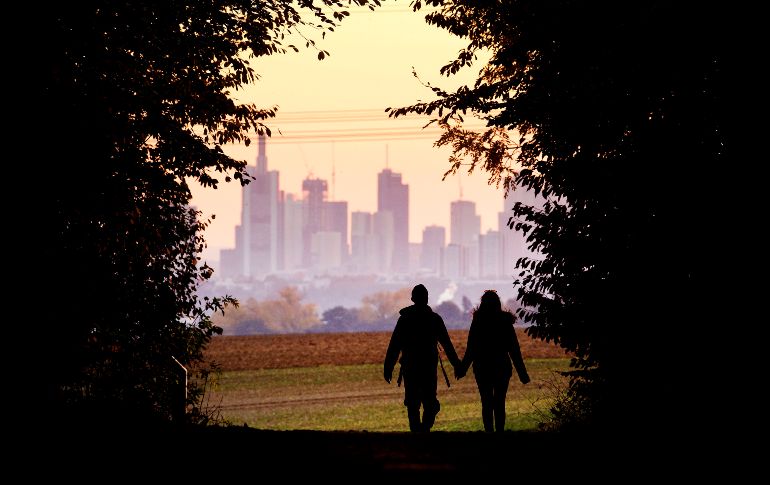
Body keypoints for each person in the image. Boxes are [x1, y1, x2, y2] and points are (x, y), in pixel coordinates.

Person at [384, 284, 461, 432]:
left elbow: (394, 346)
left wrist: (388, 367)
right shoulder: (435, 319)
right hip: (428, 367)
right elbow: (447, 344)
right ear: (426, 299)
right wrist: (457, 365)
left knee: (412, 401)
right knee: (429, 400)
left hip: (410, 367)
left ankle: (417, 433)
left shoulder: (404, 320)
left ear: (412, 299)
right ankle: (424, 430)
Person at [456, 290, 530, 432]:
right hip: (502, 366)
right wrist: (523, 374)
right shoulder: (505, 322)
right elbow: (514, 349)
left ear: (483, 304)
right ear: (498, 304)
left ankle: (489, 432)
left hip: (482, 367)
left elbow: (471, 348)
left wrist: (462, 369)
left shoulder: (478, 321)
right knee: (499, 402)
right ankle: (499, 433)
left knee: (486, 402)